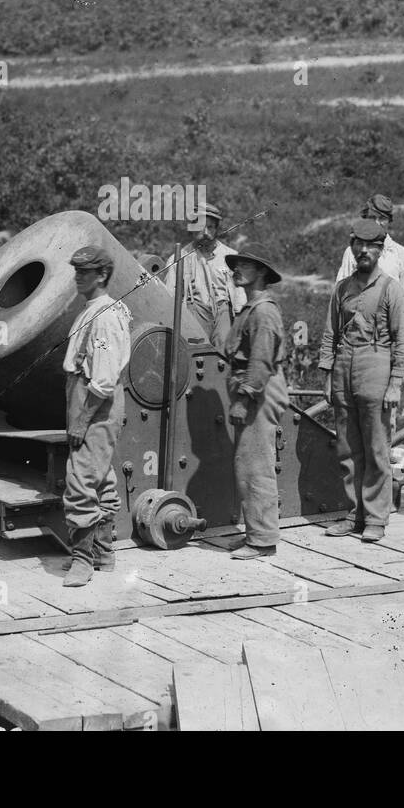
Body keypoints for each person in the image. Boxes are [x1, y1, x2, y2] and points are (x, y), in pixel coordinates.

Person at [319, 221, 404, 542]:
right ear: (352, 245)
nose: (363, 251)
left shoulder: (391, 289)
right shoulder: (343, 288)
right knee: (347, 447)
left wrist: (395, 383)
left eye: (371, 245)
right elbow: (330, 333)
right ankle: (353, 513)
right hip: (344, 367)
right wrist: (327, 373)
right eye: (358, 244)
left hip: (377, 367)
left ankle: (375, 518)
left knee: (376, 448)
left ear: (380, 248)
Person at [61, 245, 132, 587]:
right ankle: (103, 553)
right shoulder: (99, 309)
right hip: (94, 397)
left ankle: (82, 560)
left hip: (94, 400)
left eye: (84, 272)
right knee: (100, 478)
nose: (77, 277)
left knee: (80, 480)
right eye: (76, 271)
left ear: (101, 275)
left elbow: (102, 379)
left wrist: (80, 419)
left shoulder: (103, 318)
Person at [222, 247, 290, 560]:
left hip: (257, 393)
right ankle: (256, 534)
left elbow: (261, 362)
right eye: (235, 264)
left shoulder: (263, 311)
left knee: (257, 466)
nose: (237, 270)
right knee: (247, 465)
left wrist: (243, 400)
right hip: (251, 390)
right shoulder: (251, 308)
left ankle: (262, 540)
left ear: (261, 272)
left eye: (244, 265)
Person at [335, 193, 404, 335]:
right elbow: (340, 291)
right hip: (357, 329)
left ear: (389, 221)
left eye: (382, 219)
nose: (377, 223)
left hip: (390, 329)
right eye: (372, 218)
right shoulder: (351, 252)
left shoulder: (400, 254)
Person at [171, 203, 246, 350]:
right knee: (196, 357)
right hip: (194, 318)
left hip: (224, 317)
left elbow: (240, 298)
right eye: (200, 227)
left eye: (210, 227)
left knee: (223, 358)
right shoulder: (179, 259)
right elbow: (170, 299)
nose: (205, 232)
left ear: (216, 229)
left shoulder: (231, 257)